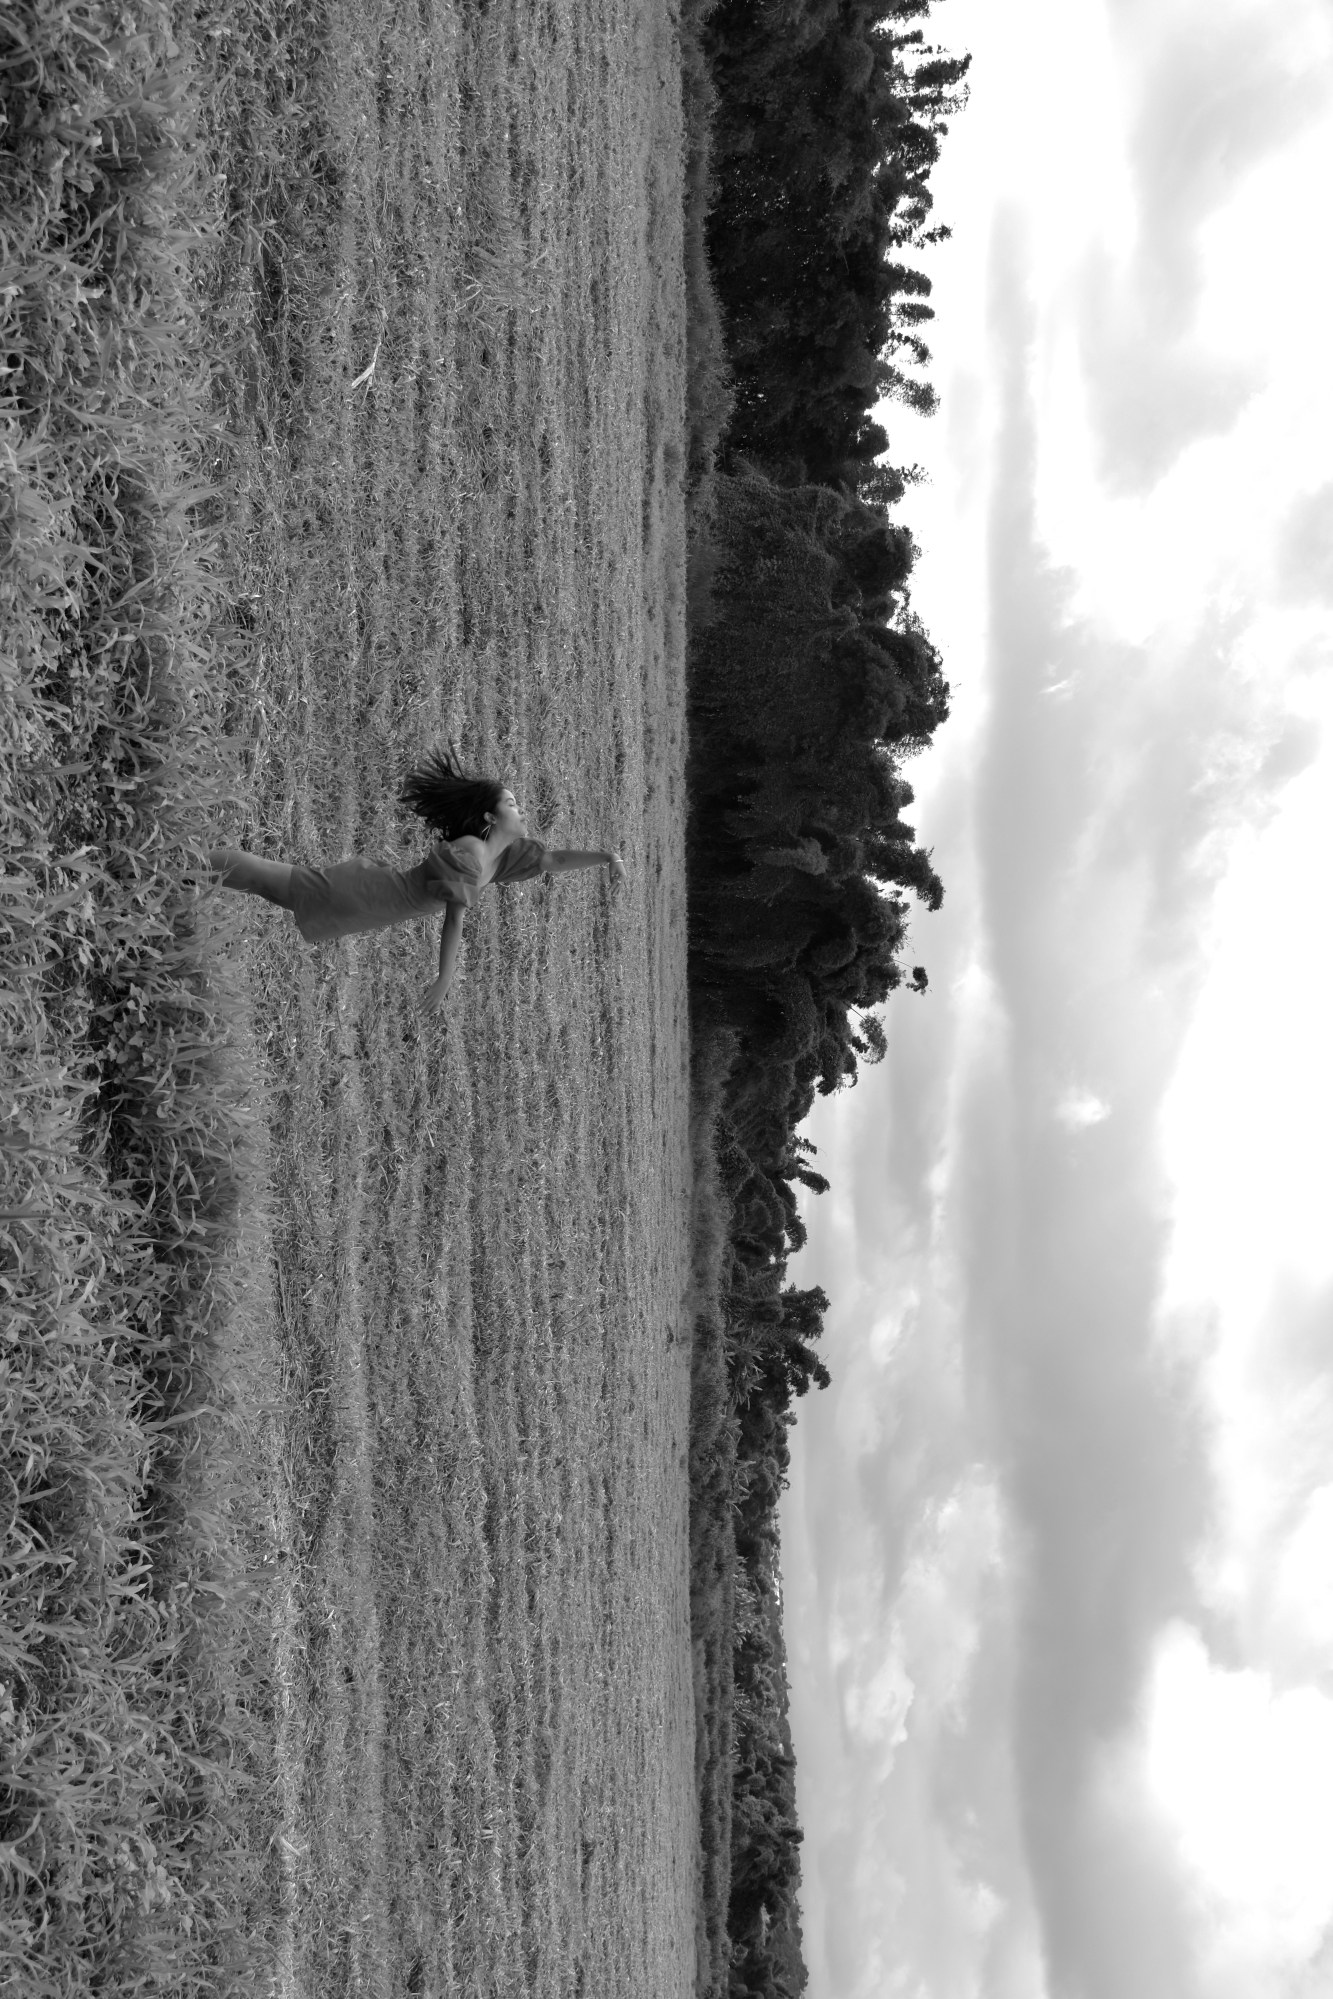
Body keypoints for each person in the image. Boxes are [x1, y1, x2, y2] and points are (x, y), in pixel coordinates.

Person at [209, 747, 625, 1012]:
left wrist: (608, 857)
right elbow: (454, 919)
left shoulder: (505, 856)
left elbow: (553, 859)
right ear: (490, 817)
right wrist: (444, 978)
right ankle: (187, 861)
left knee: (273, 890)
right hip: (369, 893)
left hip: (375, 905)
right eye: (512, 804)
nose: (521, 810)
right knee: (268, 879)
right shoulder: (470, 853)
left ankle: (190, 870)